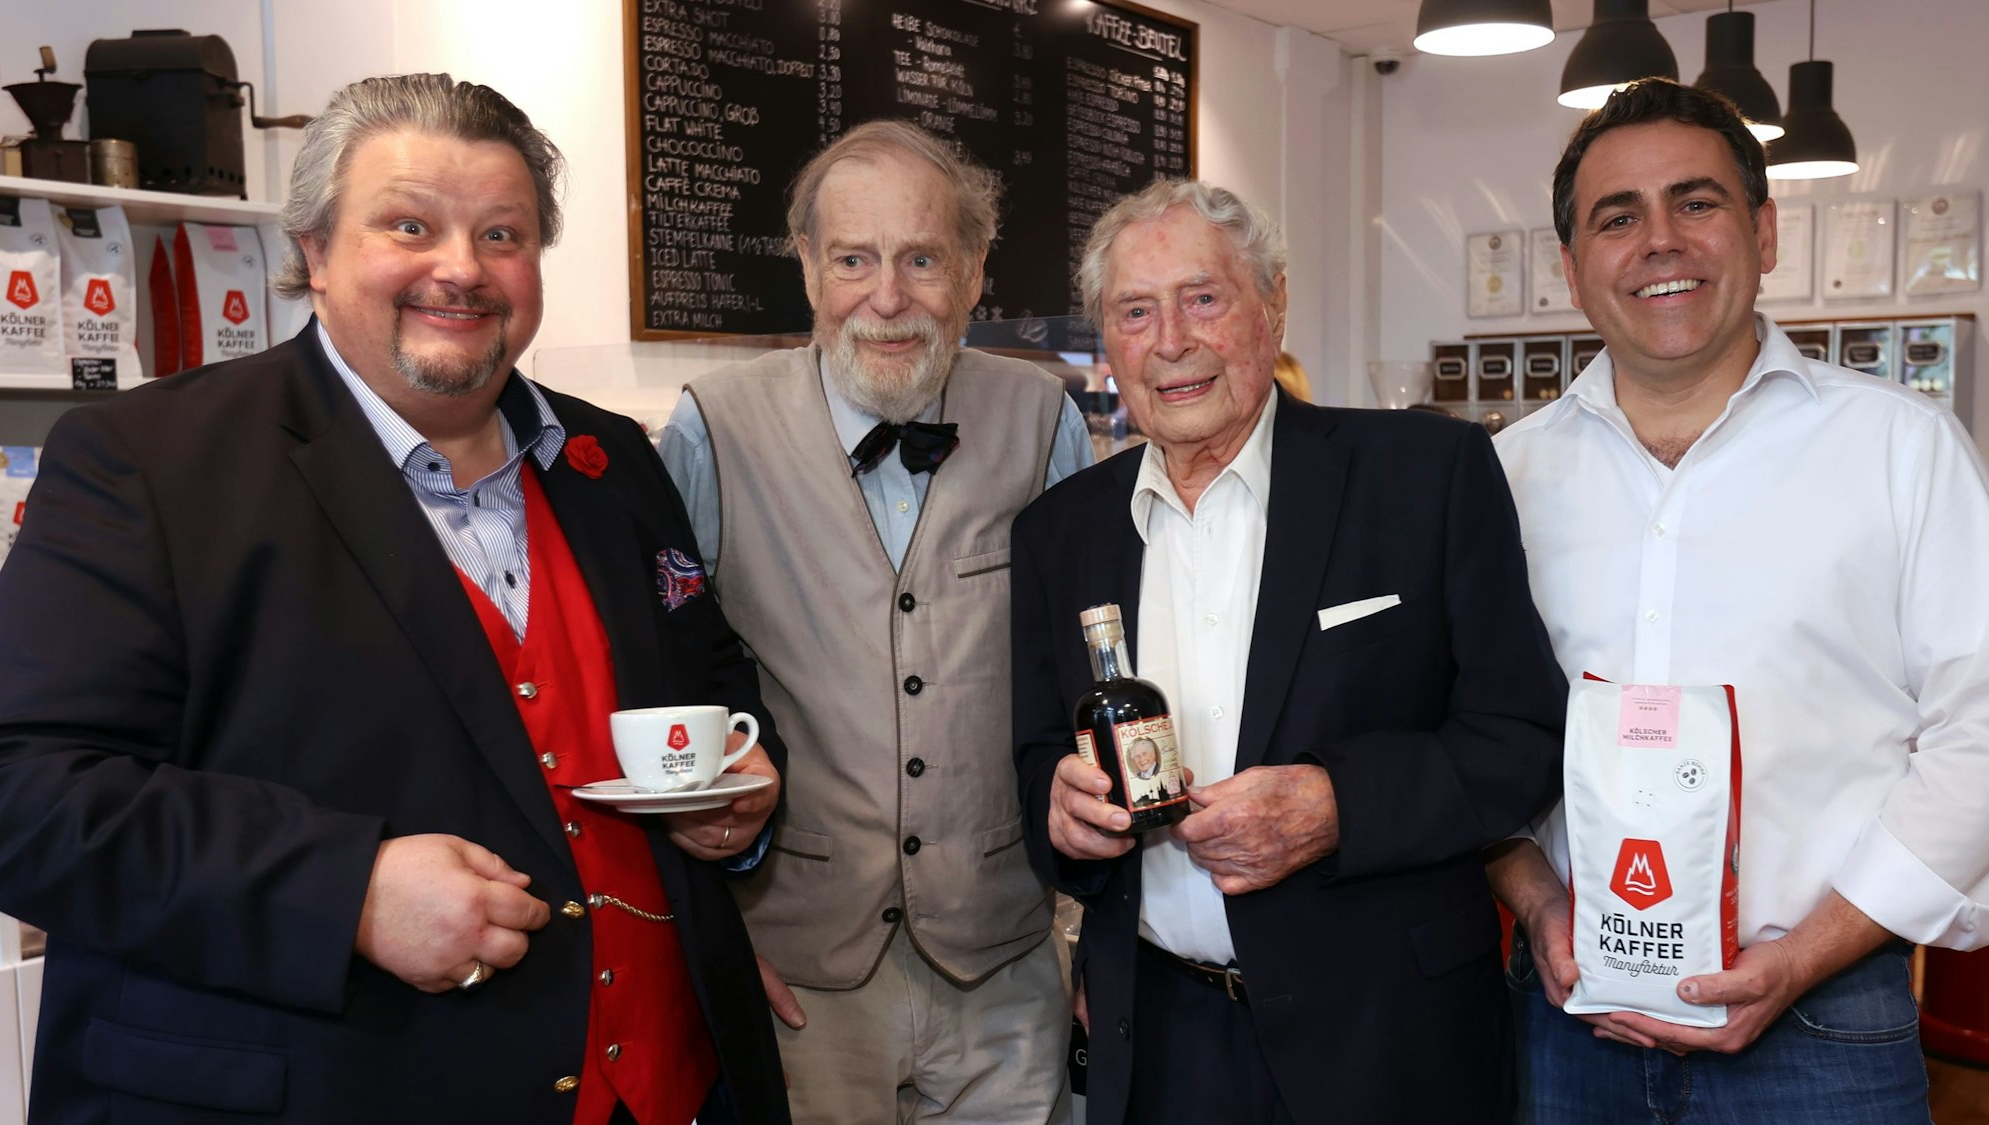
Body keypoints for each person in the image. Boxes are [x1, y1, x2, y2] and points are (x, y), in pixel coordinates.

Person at [0, 74, 790, 1125]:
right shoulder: (149, 462)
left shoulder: (614, 461)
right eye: (409, 225)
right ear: (315, 251)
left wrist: (739, 795)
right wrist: (347, 891)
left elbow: (710, 678)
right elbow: (19, 795)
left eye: (502, 235)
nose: (461, 267)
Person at [1010, 178, 1567, 1124]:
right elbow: (1034, 761)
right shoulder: (1059, 534)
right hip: (1162, 1043)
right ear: (1109, 340)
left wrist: (1337, 806)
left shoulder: (1424, 475)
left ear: (1273, 304)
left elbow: (1522, 740)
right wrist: (1061, 814)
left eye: (1203, 298)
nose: (1171, 340)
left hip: (1389, 1042)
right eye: (1135, 311)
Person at [1491, 77, 1989, 1123]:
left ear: (1762, 233)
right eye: (1616, 218)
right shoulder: (1503, 479)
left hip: (1823, 1027)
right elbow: (1466, 729)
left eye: (1696, 202)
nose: (1659, 241)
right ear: (1572, 268)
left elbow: (1977, 732)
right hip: (1565, 1019)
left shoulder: (1900, 451)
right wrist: (1535, 904)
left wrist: (1807, 955)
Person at [655, 119, 1091, 1123]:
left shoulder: (1045, 420)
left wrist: (1097, 936)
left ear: (974, 271)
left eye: (921, 259)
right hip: (796, 971)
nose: (886, 297)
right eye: (853, 259)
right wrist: (709, 938)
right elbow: (668, 684)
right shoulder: (711, 427)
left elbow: (1087, 674)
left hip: (1005, 965)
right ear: (808, 266)